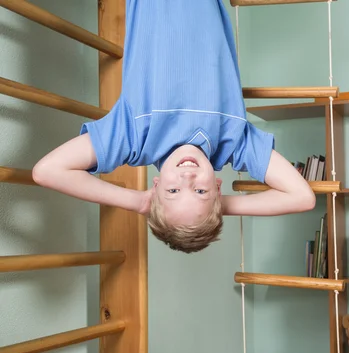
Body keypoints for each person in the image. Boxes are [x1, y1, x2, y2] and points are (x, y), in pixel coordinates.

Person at [32, 0, 316, 253]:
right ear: (217, 187)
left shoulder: (133, 138)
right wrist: (220, 206)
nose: (187, 180)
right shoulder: (234, 141)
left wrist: (139, 202)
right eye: (201, 192)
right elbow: (302, 197)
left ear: (155, 188)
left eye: (173, 192)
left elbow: (47, 171)